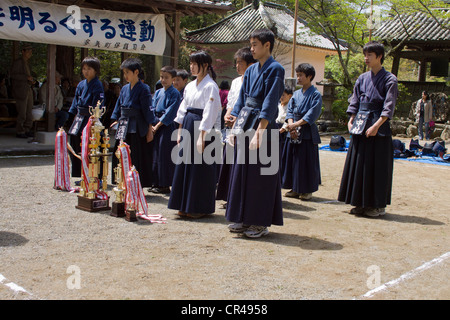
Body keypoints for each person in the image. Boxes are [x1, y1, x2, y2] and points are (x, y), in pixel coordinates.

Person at [226, 29, 285, 238]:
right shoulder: (250, 71)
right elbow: (242, 99)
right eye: (250, 45)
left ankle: (260, 222)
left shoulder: (275, 69)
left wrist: (261, 130)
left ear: (267, 45)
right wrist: (234, 122)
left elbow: (270, 101)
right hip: (246, 121)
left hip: (264, 125)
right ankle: (242, 217)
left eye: (255, 45)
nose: (251, 49)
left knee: (262, 174)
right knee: (242, 172)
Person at [338, 41, 398, 218]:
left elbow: (388, 106)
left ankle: (377, 205)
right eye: (365, 55)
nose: (366, 58)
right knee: (359, 164)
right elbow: (355, 101)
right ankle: (359, 202)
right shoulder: (362, 78)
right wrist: (351, 120)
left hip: (377, 125)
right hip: (360, 123)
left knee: (377, 166)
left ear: (379, 57)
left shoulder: (390, 79)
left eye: (369, 55)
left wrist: (376, 125)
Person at [168, 51, 221, 219]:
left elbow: (210, 112)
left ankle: (199, 207)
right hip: (189, 124)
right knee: (185, 165)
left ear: (205, 65)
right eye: (190, 63)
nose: (191, 67)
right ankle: (183, 204)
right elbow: (183, 109)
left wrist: (202, 136)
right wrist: (179, 131)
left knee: (200, 168)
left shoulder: (211, 86)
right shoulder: (190, 86)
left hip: (202, 127)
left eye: (194, 63)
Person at [216, 47, 256, 207]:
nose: (237, 66)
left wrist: (238, 119)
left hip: (247, 125)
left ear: (250, 64)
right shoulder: (235, 82)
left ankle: (240, 196)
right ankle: (228, 195)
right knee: (229, 160)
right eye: (236, 62)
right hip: (233, 126)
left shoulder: (254, 79)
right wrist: (228, 114)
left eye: (241, 62)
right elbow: (232, 103)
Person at [110, 58, 155, 187]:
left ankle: (136, 184)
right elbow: (118, 106)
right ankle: (121, 181)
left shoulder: (144, 88)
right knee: (120, 152)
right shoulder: (124, 89)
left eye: (127, 73)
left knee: (136, 155)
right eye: (124, 73)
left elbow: (147, 110)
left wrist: (149, 128)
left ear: (136, 72)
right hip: (124, 124)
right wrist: (115, 119)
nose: (125, 76)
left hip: (137, 124)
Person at [281, 63, 322, 201]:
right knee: (293, 159)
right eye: (297, 75)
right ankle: (294, 187)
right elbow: (290, 111)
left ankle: (307, 190)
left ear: (309, 77)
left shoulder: (316, 95)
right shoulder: (296, 94)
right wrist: (291, 124)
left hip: (306, 132)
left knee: (306, 161)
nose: (298, 78)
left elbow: (312, 114)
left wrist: (296, 124)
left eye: (301, 75)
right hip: (292, 130)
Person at [67, 57, 105, 178]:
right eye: (84, 69)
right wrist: (72, 115)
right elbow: (75, 101)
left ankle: (92, 174)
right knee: (74, 140)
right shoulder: (81, 84)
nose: (86, 71)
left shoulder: (97, 85)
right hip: (79, 117)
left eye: (89, 69)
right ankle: (79, 173)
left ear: (95, 70)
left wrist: (93, 118)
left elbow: (98, 105)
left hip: (90, 117)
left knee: (90, 144)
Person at [149, 66, 181, 194]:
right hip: (156, 122)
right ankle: (155, 181)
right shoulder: (158, 92)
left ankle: (164, 184)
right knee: (155, 153)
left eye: (166, 77)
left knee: (164, 155)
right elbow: (151, 107)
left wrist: (157, 126)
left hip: (167, 126)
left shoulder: (175, 93)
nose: (163, 80)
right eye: (162, 77)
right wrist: (151, 123)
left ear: (173, 79)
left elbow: (170, 112)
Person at [10, 43, 35, 138]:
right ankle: (20, 131)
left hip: (28, 89)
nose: (30, 53)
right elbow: (13, 75)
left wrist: (31, 80)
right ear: (23, 52)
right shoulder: (18, 62)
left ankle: (27, 129)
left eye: (30, 51)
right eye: (27, 51)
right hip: (20, 90)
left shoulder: (27, 63)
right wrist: (26, 77)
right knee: (22, 112)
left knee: (29, 112)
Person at [276, 87, 293, 168]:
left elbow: (288, 120)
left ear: (290, 96)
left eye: (283, 95)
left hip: (284, 132)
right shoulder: (278, 105)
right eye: (280, 95)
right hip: (275, 128)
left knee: (282, 153)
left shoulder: (290, 107)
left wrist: (281, 130)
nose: (281, 97)